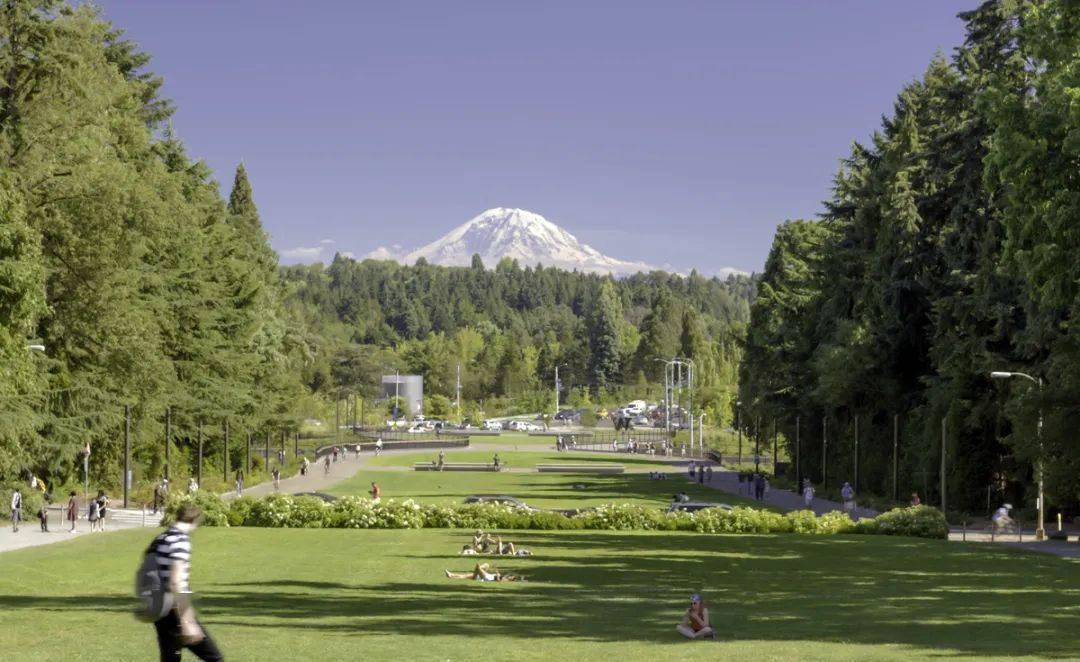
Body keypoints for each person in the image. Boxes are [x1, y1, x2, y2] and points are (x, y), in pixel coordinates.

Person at [146, 505, 224, 662]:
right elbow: (176, 582)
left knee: (170, 659)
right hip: (174, 610)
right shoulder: (180, 540)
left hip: (158, 609)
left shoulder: (161, 538)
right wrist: (186, 621)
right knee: (214, 658)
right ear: (194, 521)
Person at [445, 562, 523, 582]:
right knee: (486, 565)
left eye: (512, 577)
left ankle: (477, 571)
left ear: (513, 579)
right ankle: (451, 575)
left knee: (478, 566)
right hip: (488, 575)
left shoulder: (507, 580)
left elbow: (499, 581)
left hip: (487, 578)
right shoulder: (506, 577)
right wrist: (496, 571)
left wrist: (497, 573)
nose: (511, 576)